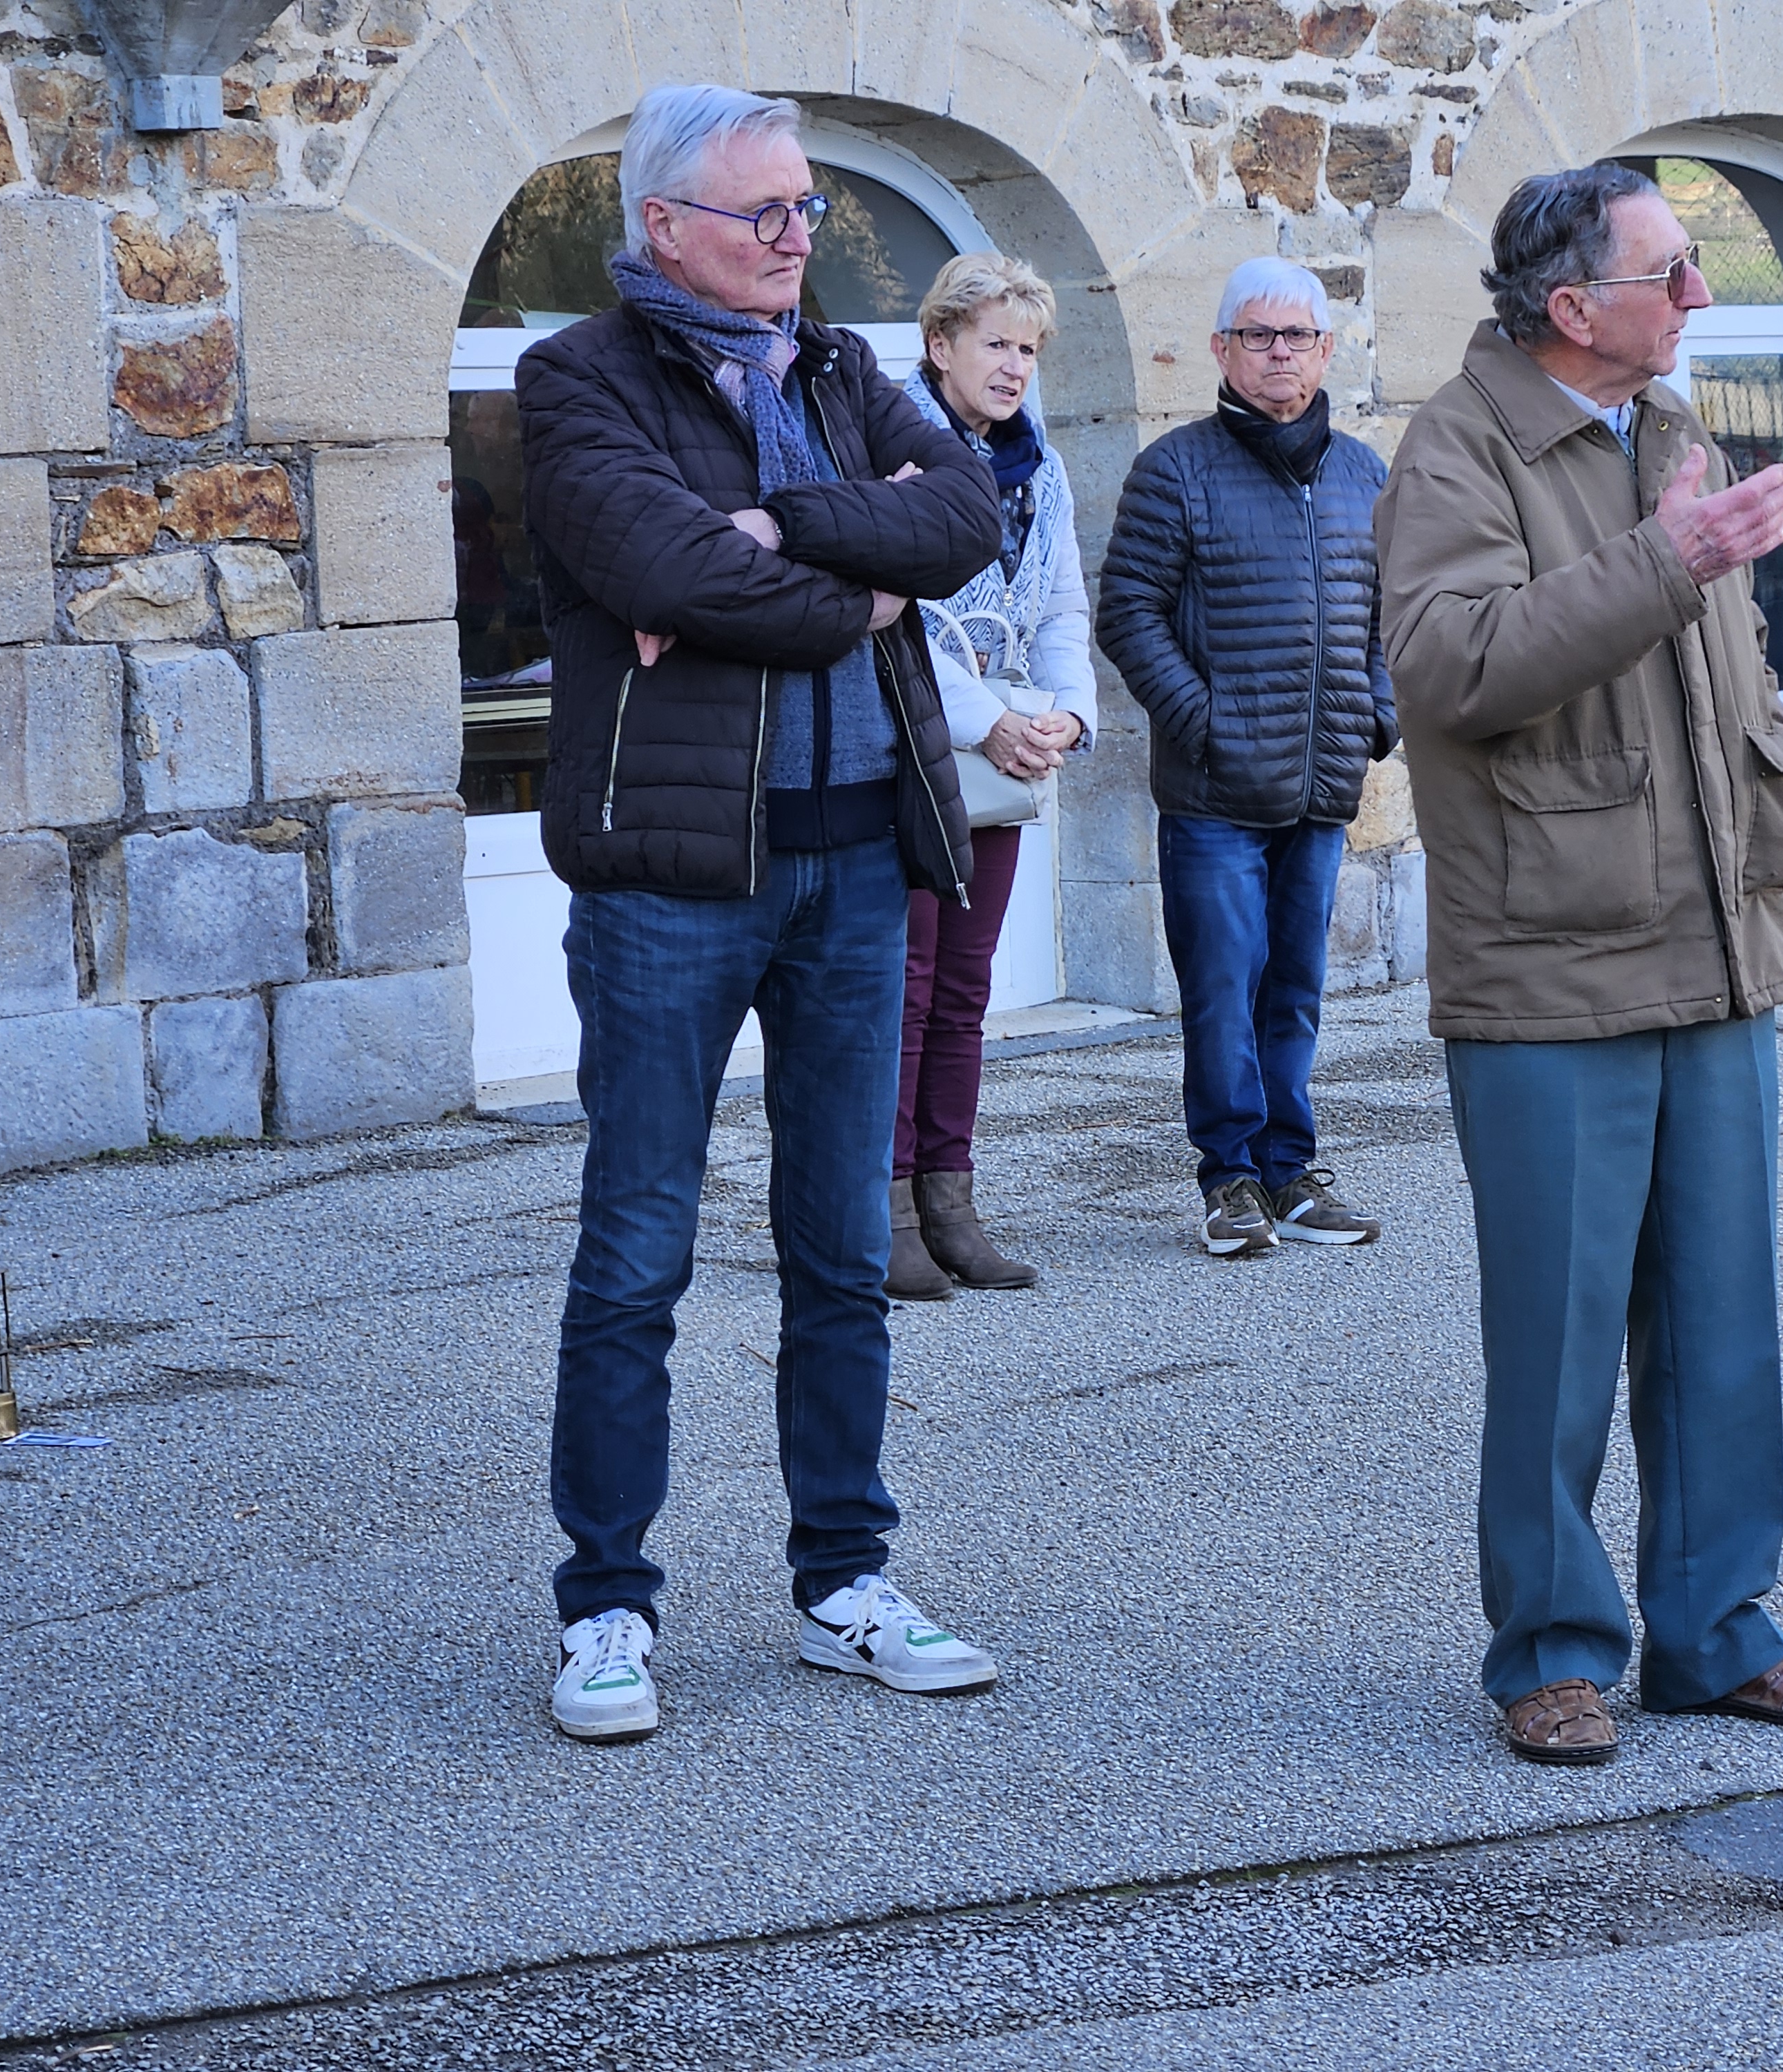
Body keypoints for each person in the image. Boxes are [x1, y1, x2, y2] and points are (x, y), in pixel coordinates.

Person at [1374, 164, 1783, 1765]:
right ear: (1568, 304)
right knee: (1557, 1338)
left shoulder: (1668, 431)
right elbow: (1448, 673)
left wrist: (1779, 793)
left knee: (1724, 1327)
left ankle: (1717, 1632)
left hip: (1716, 949)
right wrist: (1665, 561)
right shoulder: (1458, 447)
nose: (1699, 300)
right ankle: (1549, 1649)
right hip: (1544, 971)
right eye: (1672, 274)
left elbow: (1727, 666)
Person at [516, 83, 1007, 1742]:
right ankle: (603, 1608)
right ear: (665, 226)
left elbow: (968, 518)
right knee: (636, 1251)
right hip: (671, 880)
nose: (802, 238)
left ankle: (843, 1583)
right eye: (767, 215)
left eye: (808, 210)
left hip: (861, 860)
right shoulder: (575, 380)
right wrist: (851, 585)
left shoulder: (846, 367)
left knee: (842, 1252)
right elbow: (663, 574)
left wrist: (786, 524)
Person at [1095, 258, 1398, 1260]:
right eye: (1259, 336)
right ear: (1223, 349)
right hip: (1216, 792)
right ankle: (1228, 1178)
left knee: (1295, 989)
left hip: (1319, 784)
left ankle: (1292, 1172)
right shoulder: (1175, 469)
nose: (1280, 353)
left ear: (1327, 349)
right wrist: (1204, 721)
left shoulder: (1363, 475)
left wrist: (1375, 718)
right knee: (1225, 987)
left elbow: (1390, 619)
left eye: (1298, 336)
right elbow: (1128, 615)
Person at [881, 251, 1098, 1303]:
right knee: (906, 989)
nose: (1014, 366)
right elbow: (901, 619)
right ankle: (879, 1209)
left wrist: (1066, 714)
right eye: (996, 343)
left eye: (1028, 348)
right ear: (940, 345)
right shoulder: (896, 452)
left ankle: (950, 1202)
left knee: (965, 992)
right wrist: (993, 719)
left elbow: (1058, 609)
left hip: (1005, 763)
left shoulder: (1040, 469)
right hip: (914, 754)